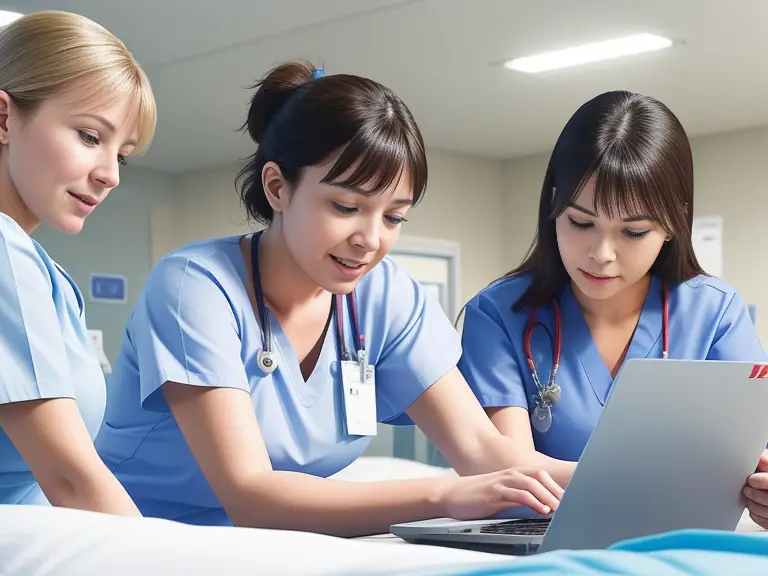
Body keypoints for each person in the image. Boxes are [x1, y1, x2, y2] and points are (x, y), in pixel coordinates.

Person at [95, 60, 564, 536]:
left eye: (394, 217)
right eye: (346, 207)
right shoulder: (194, 288)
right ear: (277, 187)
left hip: (287, 543)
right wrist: (442, 496)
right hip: (141, 537)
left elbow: (486, 452)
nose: (370, 239)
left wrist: (621, 482)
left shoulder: (386, 296)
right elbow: (250, 495)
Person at [457, 90, 768, 528]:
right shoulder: (499, 314)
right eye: (581, 223)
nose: (602, 253)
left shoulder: (715, 314)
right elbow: (510, 473)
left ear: (671, 225)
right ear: (552, 204)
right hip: (539, 548)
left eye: (633, 231)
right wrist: (662, 486)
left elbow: (749, 457)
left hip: (678, 546)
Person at [0, 10, 156, 513]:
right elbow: (70, 481)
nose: (110, 174)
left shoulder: (42, 271)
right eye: (90, 136)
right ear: (4, 118)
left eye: (123, 153)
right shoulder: (5, 250)